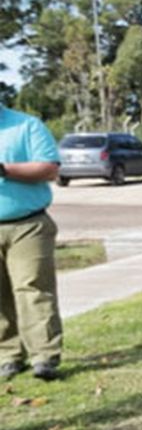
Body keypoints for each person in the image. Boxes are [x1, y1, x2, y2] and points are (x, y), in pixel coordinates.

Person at [0, 103, 63, 381]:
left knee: (33, 287)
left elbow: (49, 168)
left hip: (28, 224)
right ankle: (8, 356)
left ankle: (44, 356)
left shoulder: (26, 125)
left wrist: (3, 170)